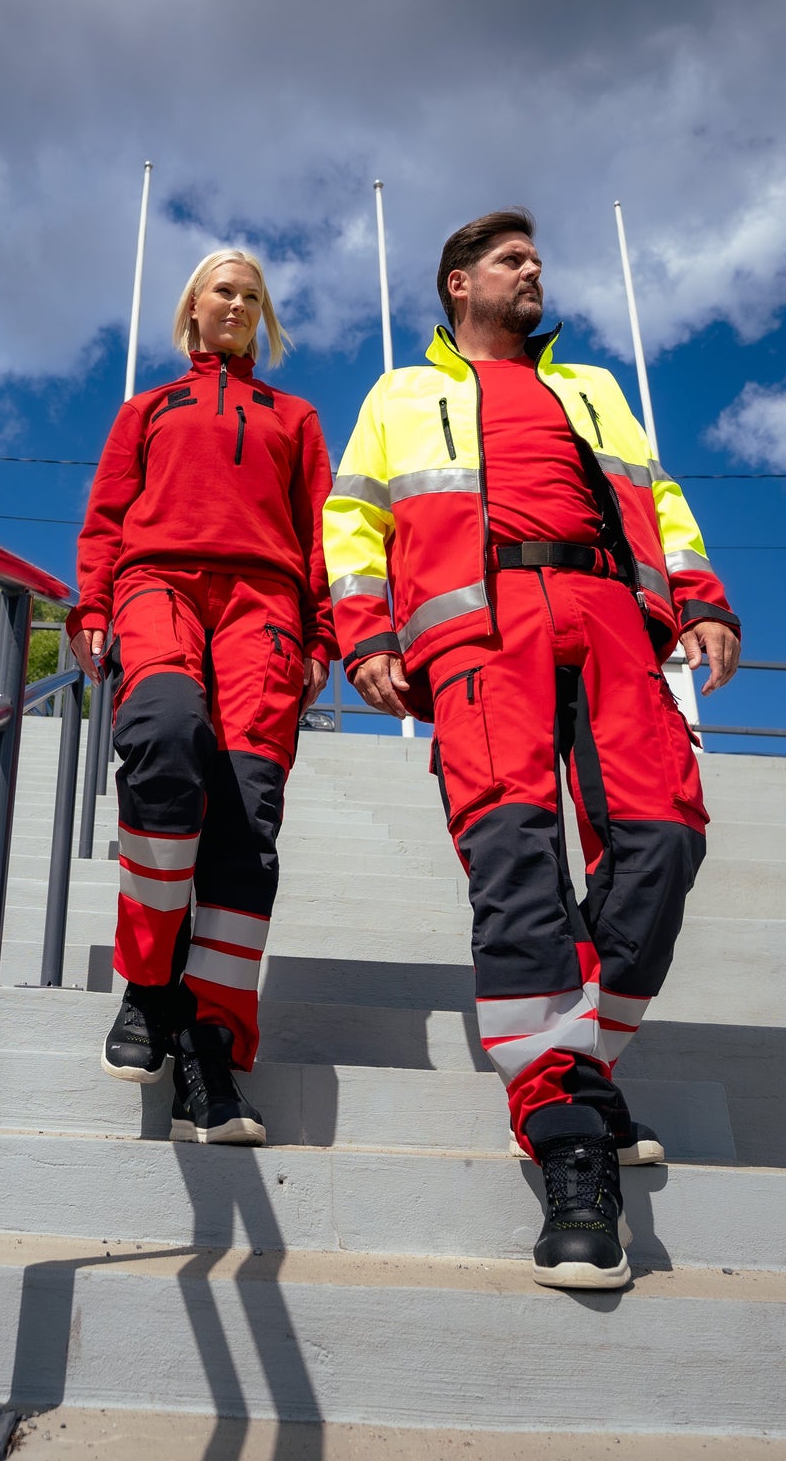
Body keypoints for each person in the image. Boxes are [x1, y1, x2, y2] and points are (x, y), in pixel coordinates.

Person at [323, 208, 740, 1289]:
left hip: (610, 621)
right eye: (512, 260)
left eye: (537, 259)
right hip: (479, 629)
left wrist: (702, 599)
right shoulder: (401, 395)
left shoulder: (595, 387)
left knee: (664, 840)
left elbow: (663, 501)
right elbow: (353, 521)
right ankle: (566, 1134)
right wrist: (363, 632)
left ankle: (579, 1058)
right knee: (514, 860)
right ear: (458, 284)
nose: (534, 271)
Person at [70, 248, 336, 1147]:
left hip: (266, 605)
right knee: (164, 734)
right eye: (224, 289)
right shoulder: (147, 409)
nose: (237, 303)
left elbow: (319, 528)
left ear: (262, 316)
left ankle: (208, 1048)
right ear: (193, 305)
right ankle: (149, 984)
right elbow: (107, 517)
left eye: (253, 295)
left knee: (246, 819)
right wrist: (94, 604)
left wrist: (324, 631)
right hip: (158, 586)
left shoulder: (293, 417)